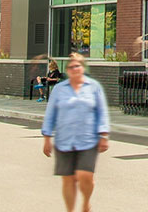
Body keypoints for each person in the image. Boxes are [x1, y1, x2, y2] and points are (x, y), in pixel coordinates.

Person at [41, 53, 110, 212]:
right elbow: (51, 114)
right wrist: (46, 137)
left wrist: (104, 135)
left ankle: (86, 203)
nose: (74, 69)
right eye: (71, 67)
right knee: (68, 179)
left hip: (88, 140)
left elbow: (102, 112)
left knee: (85, 175)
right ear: (67, 70)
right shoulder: (59, 89)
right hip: (64, 140)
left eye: (77, 66)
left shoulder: (93, 87)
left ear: (83, 68)